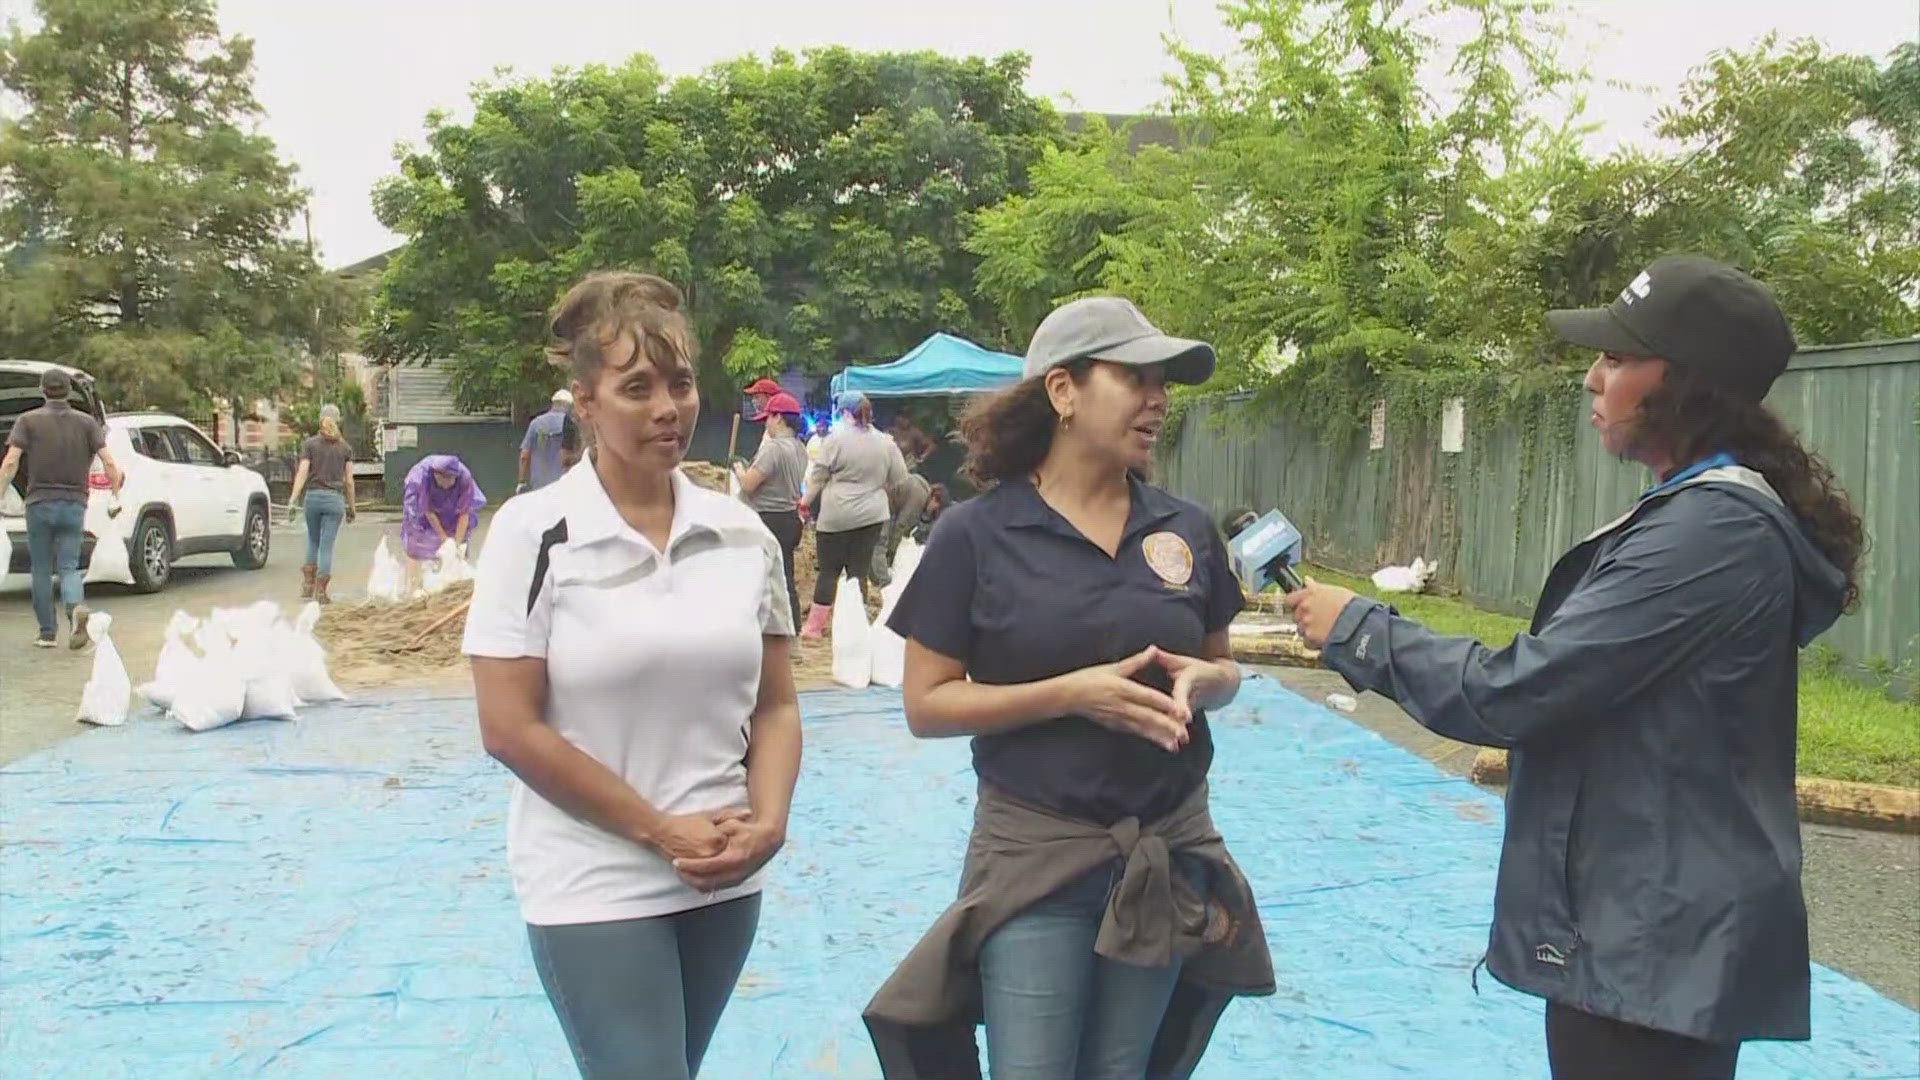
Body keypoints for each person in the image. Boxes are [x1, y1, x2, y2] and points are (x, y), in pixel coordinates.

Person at [1285, 256, 1861, 1080]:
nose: (1593, 377)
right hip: (1646, 937)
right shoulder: (1700, 514)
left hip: (1653, 951)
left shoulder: (1711, 535)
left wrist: (1363, 629)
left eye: (1620, 358)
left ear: (1688, 383)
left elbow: (1516, 692)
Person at [864, 296, 1274, 1080]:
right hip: (1036, 855)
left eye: (1164, 384)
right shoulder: (976, 536)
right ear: (1063, 391)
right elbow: (927, 704)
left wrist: (1208, 680)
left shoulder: (1184, 529)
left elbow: (1223, 669)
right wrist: (1071, 693)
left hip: (1165, 847)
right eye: (1135, 378)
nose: (1157, 399)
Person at [463, 271, 800, 1080]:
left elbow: (779, 706)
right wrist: (657, 829)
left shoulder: (741, 534)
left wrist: (771, 821)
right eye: (636, 387)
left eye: (680, 384)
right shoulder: (534, 533)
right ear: (584, 403)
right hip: (595, 877)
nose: (667, 408)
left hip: (723, 877)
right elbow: (509, 727)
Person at [0, 367, 123, 649]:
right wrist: (115, 494)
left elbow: (10, 462)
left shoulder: (27, 421)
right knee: (68, 566)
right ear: (68, 391)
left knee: (41, 568)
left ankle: (46, 633)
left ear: (43, 390)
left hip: (39, 503)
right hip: (75, 504)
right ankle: (75, 608)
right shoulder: (87, 423)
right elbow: (110, 463)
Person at [800, 390, 906, 638]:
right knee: (858, 571)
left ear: (845, 412)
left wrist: (804, 502)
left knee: (829, 571)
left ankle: (814, 628)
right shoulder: (885, 442)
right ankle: (855, 626)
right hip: (872, 515)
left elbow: (818, 478)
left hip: (836, 516)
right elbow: (900, 478)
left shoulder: (834, 440)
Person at [734, 391, 809, 628]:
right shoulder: (800, 448)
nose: (766, 423)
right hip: (789, 517)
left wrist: (738, 470)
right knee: (785, 577)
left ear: (779, 418)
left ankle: (763, 626)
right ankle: (792, 626)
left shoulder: (773, 449)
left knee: (760, 577)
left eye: (769, 418)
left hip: (768, 518)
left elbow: (749, 484)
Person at [286, 404, 357, 604]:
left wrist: (293, 499)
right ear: (338, 420)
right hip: (334, 500)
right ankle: (321, 592)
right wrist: (352, 507)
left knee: (313, 540)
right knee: (326, 546)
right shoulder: (345, 448)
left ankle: (308, 585)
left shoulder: (310, 444)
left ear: (320, 420)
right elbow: (349, 482)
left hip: (313, 499)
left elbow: (302, 473)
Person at [401, 454, 486, 593]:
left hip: (452, 506)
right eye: (442, 480)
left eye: (449, 480)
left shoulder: (465, 478)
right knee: (417, 539)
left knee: (457, 544)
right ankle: (412, 586)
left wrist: (456, 544)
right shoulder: (423, 478)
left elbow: (464, 513)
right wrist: (444, 538)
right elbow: (428, 511)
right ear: (436, 475)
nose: (445, 484)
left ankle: (453, 583)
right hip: (420, 501)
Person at [869, 470, 934, 588]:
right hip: (881, 499)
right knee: (880, 541)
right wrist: (891, 552)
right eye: (934, 512)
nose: (930, 515)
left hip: (878, 492)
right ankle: (883, 580)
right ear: (935, 499)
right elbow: (900, 526)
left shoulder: (919, 484)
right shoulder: (920, 497)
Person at [519, 388, 580, 494]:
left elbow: (524, 456)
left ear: (553, 404)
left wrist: (522, 482)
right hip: (562, 483)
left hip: (538, 484)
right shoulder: (571, 425)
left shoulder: (536, 423)